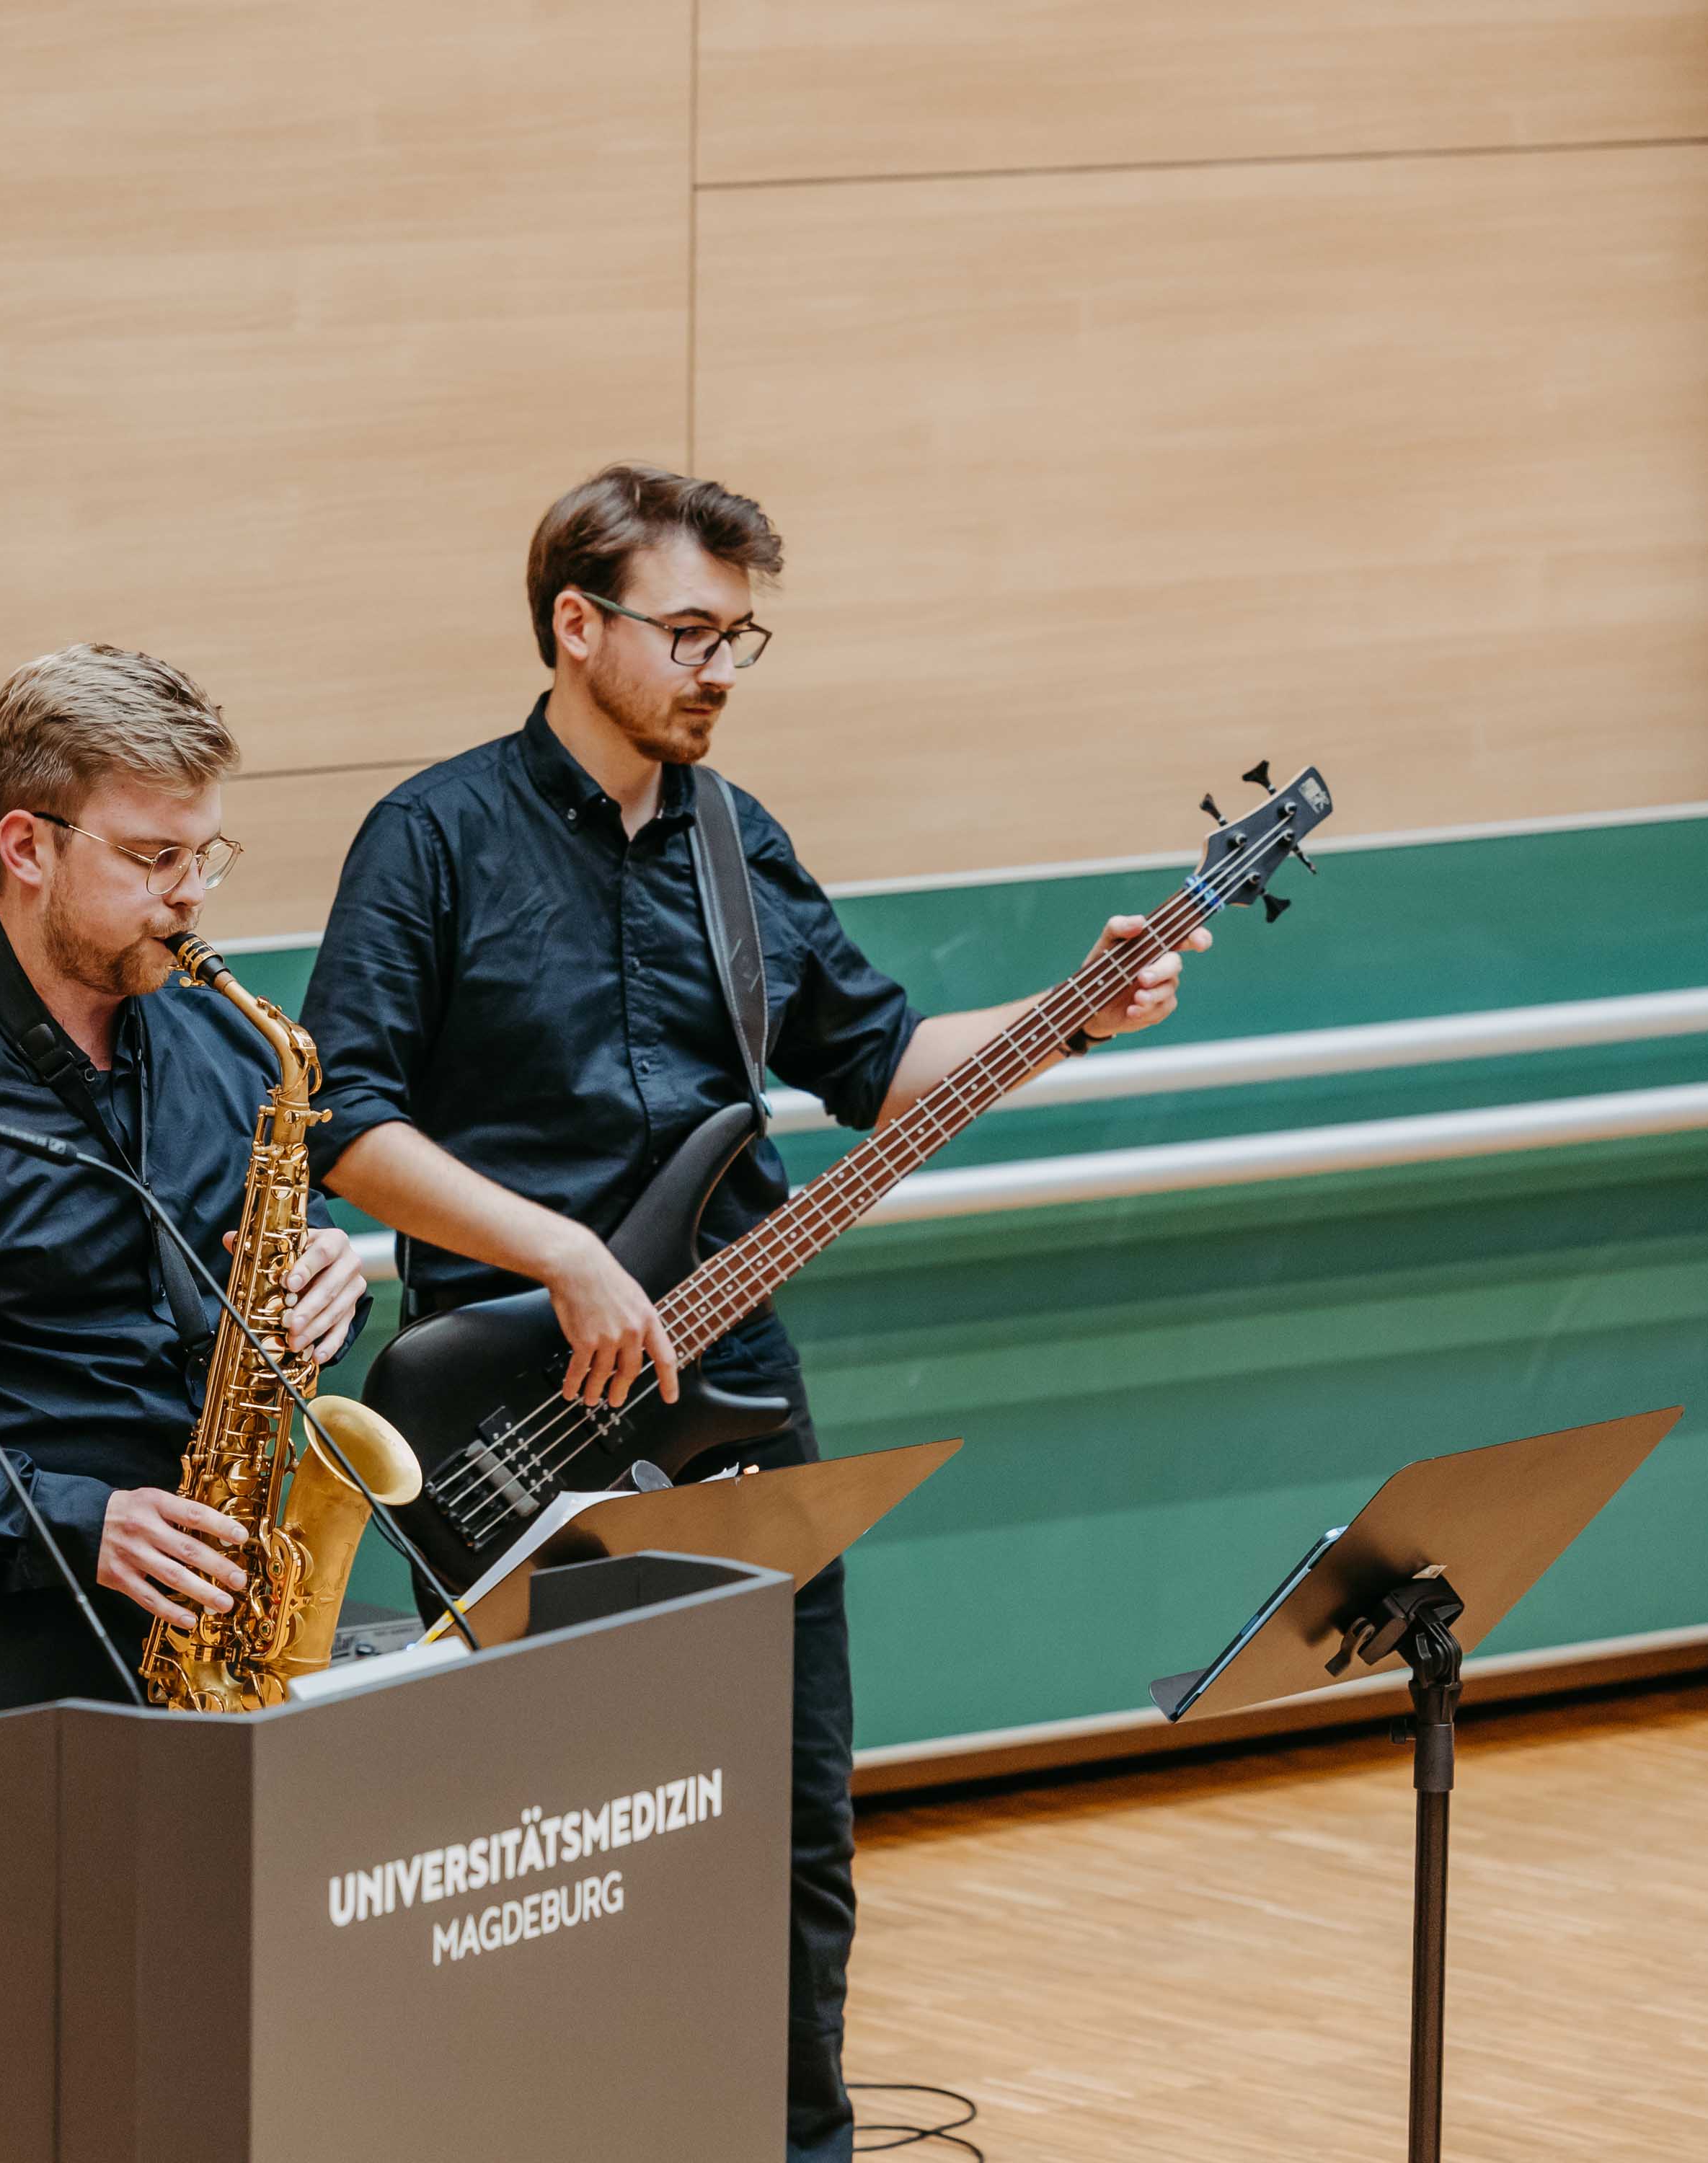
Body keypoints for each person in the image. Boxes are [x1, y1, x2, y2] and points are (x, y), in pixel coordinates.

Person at [298, 464, 1205, 2163]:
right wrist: (561, 1253)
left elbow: (880, 1062)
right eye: (690, 632)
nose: (719, 670)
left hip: (730, 1372)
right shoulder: (434, 836)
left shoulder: (735, 838)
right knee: (536, 1839)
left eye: (740, 639)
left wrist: (1078, 1008)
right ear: (578, 625)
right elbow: (344, 1121)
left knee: (787, 1808)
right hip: (513, 1406)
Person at [0, 645, 373, 1774]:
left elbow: (277, 1237)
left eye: (203, 855)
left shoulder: (227, 1043)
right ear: (27, 846)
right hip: (4, 1672)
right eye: (153, 857)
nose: (190, 893)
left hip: (216, 1620)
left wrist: (328, 1272)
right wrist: (81, 1523)